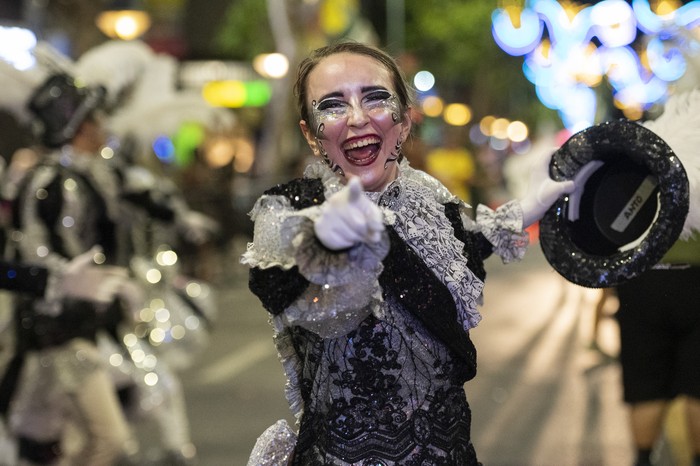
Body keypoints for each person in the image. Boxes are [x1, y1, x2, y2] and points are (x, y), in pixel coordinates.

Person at [241, 41, 575, 465]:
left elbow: (467, 243)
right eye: (332, 105)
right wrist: (323, 242)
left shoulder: (430, 200)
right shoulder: (293, 210)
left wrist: (528, 207)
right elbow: (278, 286)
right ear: (310, 133)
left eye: (375, 98)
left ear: (404, 119)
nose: (358, 118)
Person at [615, 237, 700, 466]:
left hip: (642, 274)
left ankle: (643, 460)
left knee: (646, 387)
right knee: (698, 388)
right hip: (696, 271)